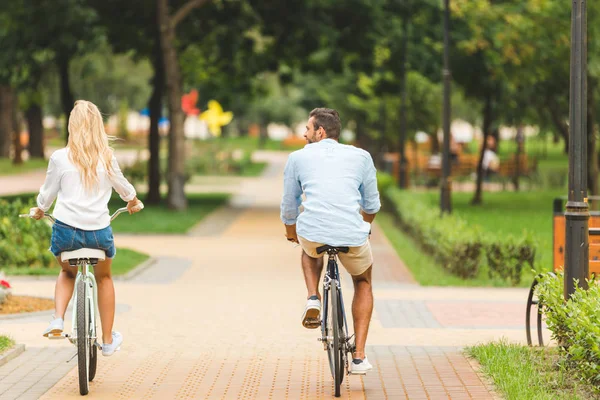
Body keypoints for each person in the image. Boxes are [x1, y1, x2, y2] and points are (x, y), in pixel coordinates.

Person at [31, 100, 143, 356]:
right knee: (104, 278)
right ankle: (106, 341)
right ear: (98, 127)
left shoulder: (59, 158)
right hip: (98, 232)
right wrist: (133, 201)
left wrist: (39, 209)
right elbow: (124, 187)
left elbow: (47, 195)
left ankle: (58, 319)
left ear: (71, 126)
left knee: (67, 273)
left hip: (66, 231)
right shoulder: (106, 157)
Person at [280, 108, 381, 375]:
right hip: (352, 235)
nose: (304, 133)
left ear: (320, 131)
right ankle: (359, 356)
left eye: (307, 129)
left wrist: (291, 232)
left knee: (309, 249)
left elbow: (290, 207)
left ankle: (313, 297)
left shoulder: (297, 158)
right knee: (363, 280)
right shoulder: (361, 156)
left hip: (313, 234)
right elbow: (371, 204)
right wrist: (362, 227)